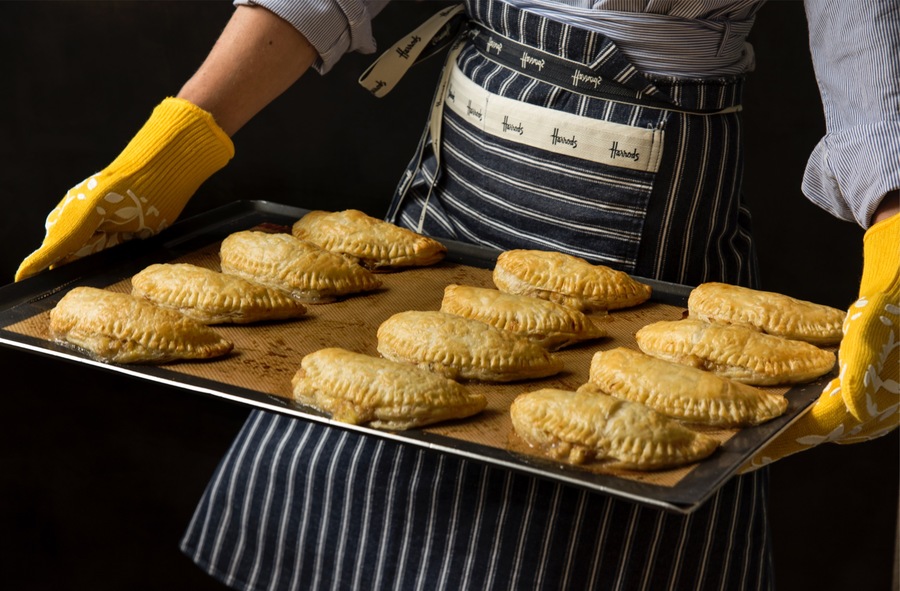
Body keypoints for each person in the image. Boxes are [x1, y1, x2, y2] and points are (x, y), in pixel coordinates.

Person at [14, 1, 898, 589]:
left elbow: (871, 38)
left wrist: (896, 244)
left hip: (646, 209)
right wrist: (187, 133)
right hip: (460, 174)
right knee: (349, 481)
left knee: (582, 535)